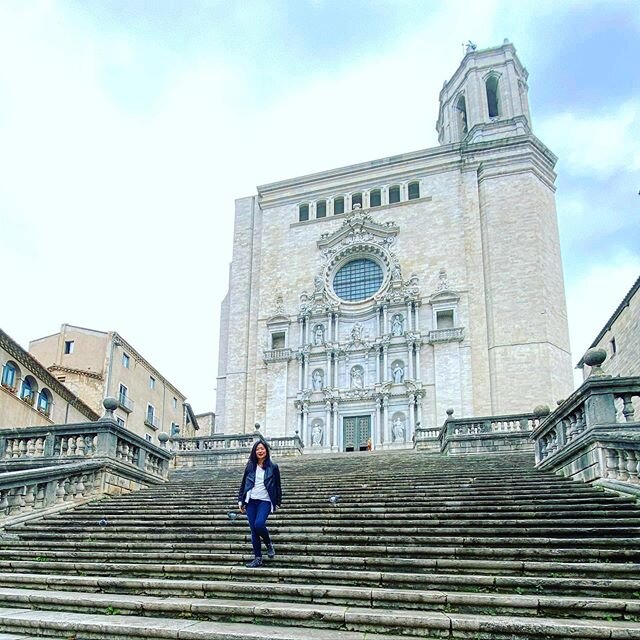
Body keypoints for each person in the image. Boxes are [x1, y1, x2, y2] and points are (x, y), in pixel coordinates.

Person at [237, 440, 282, 568]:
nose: (260, 451)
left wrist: (278, 501)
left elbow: (278, 486)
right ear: (254, 452)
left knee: (259, 524)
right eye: (257, 449)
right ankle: (257, 558)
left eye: (262, 449)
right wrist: (241, 500)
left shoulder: (273, 467)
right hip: (251, 501)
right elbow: (243, 484)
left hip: (265, 500)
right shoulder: (250, 466)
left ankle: (268, 543)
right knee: (254, 530)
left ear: (266, 451)